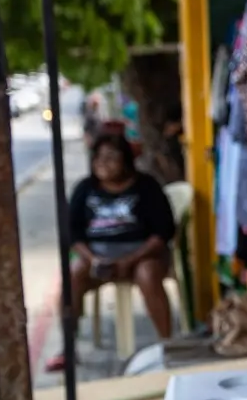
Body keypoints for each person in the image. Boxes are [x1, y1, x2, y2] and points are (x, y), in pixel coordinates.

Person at [56, 129, 177, 362]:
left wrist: (130, 260)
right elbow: (73, 234)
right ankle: (68, 347)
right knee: (71, 277)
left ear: (125, 160)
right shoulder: (85, 189)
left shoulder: (147, 186)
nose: (104, 164)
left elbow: (163, 233)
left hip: (142, 255)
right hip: (97, 257)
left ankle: (167, 344)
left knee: (148, 274)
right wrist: (93, 260)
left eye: (111, 157)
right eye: (98, 158)